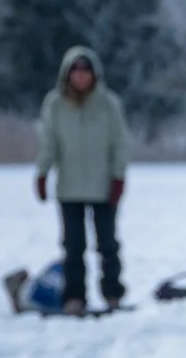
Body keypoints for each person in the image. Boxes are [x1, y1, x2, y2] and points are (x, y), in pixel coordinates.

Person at [32, 46, 131, 313]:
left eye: (86, 71)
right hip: (70, 187)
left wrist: (118, 177)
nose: (81, 76)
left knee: (108, 245)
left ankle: (112, 294)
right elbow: (49, 143)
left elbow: (120, 144)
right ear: (67, 74)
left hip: (103, 186)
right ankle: (74, 297)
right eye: (75, 71)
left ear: (94, 74)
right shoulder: (55, 104)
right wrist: (42, 172)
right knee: (73, 247)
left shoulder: (109, 105)